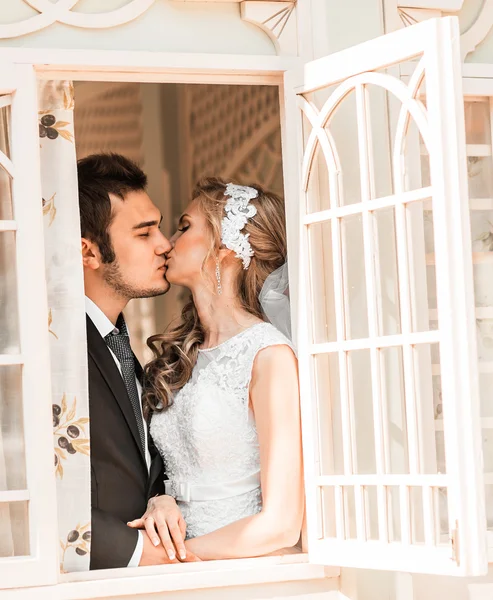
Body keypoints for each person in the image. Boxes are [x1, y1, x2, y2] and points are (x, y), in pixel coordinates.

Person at [129, 177, 303, 560]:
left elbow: (282, 523)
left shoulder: (269, 355)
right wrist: (161, 500)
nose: (167, 243)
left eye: (184, 226)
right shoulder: (183, 356)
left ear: (225, 246)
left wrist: (175, 560)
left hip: (239, 571)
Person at [79, 153, 190, 569]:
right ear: (89, 252)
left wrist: (161, 498)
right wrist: (137, 552)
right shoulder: (50, 352)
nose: (165, 244)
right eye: (144, 234)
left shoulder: (123, 348)